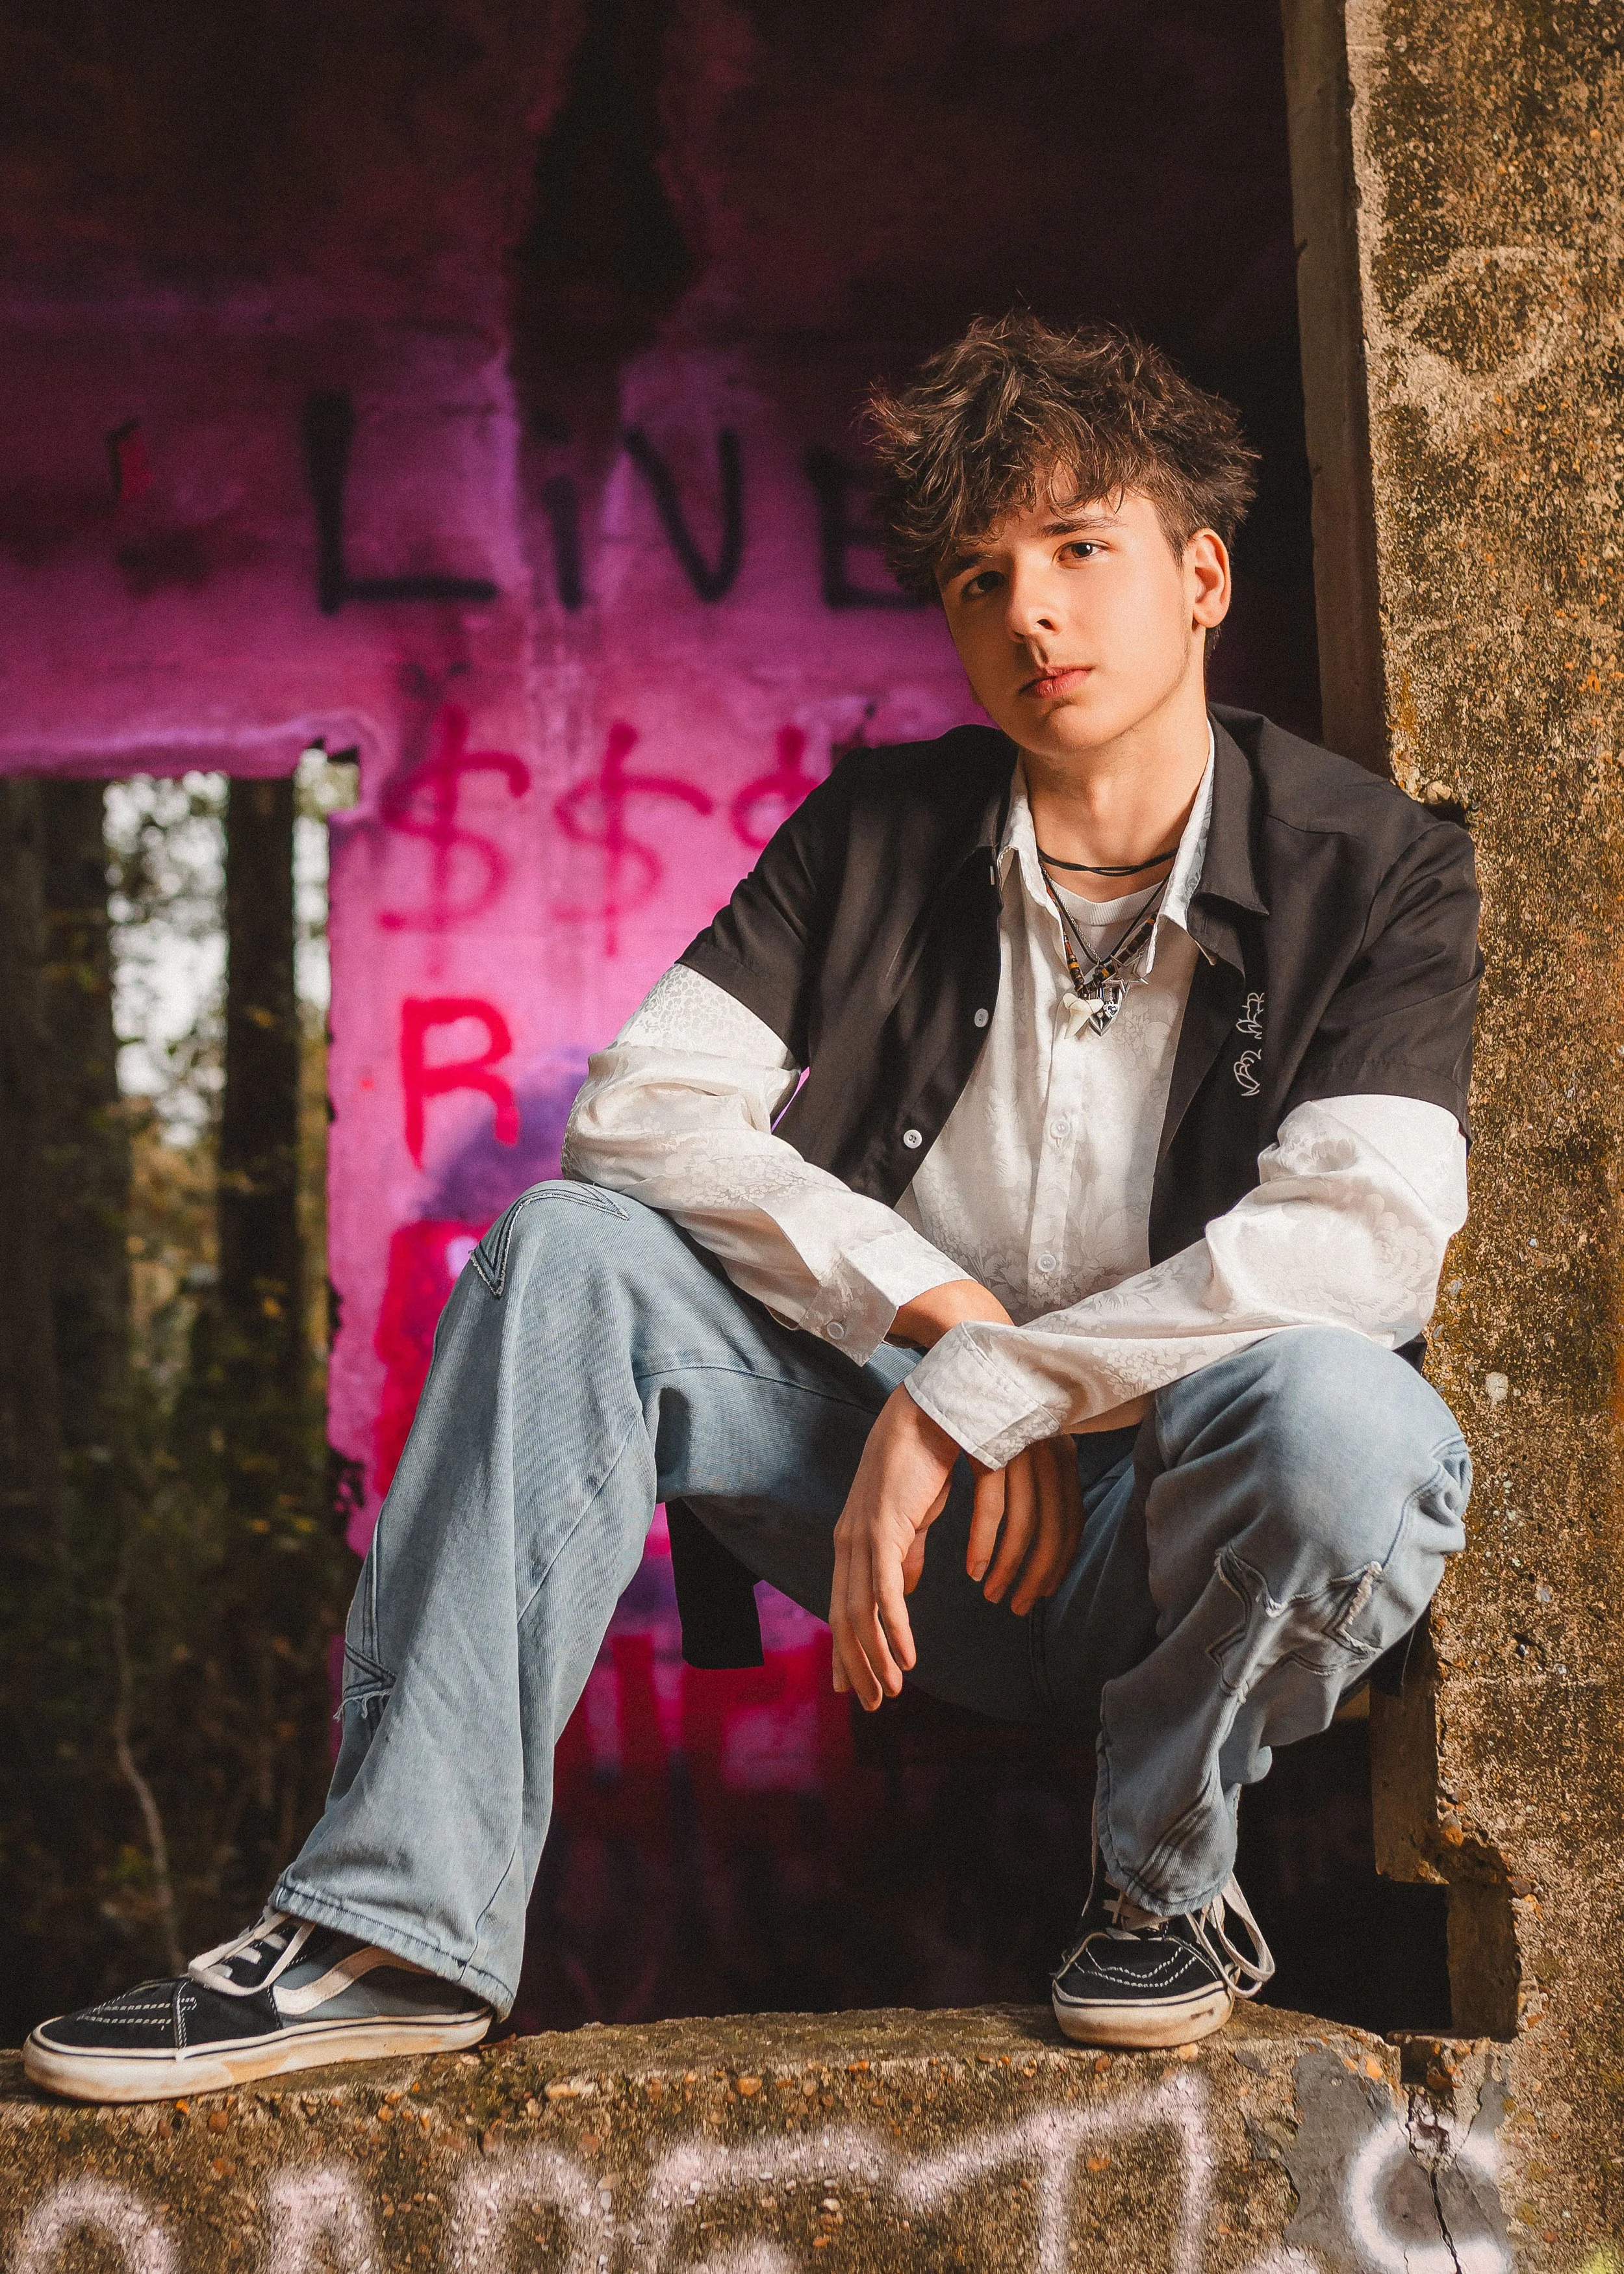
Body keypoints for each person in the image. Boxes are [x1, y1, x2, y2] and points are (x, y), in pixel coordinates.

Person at [27, 314, 1478, 2102]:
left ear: (1200, 577)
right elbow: (637, 1114)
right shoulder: (882, 827)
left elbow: (1360, 1239)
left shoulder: (1379, 867)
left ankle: (1162, 1889)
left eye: (1079, 548)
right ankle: (390, 1931)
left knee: (1350, 1418)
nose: (1031, 613)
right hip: (906, 1529)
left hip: (1191, 1545)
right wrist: (942, 1327)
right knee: (570, 1252)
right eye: (979, 578)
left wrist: (1001, 1390)